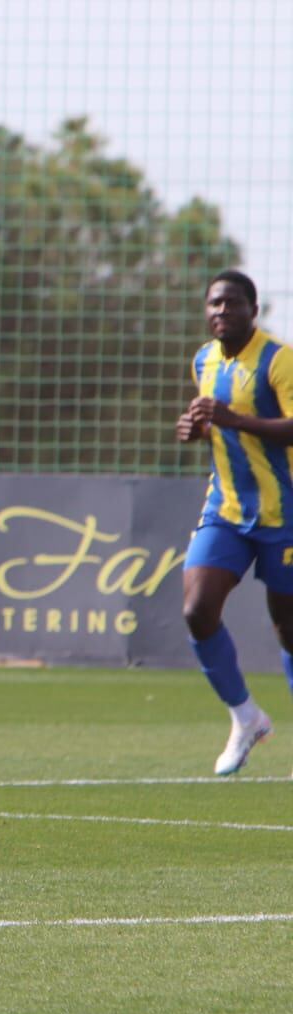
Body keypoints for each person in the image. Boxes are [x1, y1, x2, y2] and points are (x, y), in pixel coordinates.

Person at [175, 268, 293, 774]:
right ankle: (246, 718)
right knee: (197, 609)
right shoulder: (202, 358)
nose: (221, 312)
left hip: (283, 512)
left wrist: (232, 419)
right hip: (224, 508)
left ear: (254, 310)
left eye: (232, 304)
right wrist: (195, 429)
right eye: (214, 305)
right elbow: (216, 427)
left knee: (289, 629)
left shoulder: (278, 360)